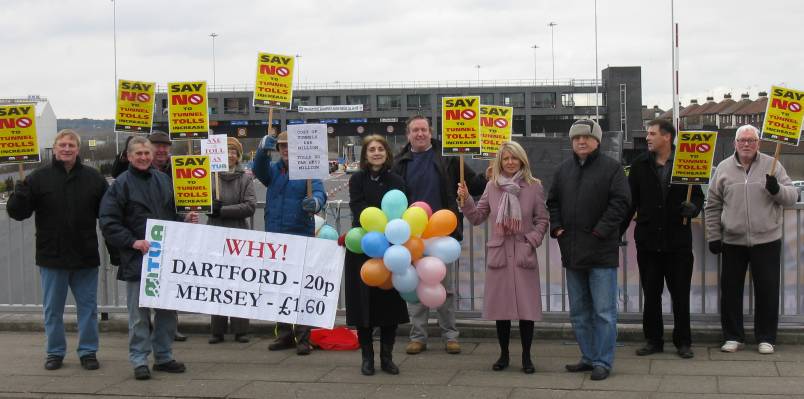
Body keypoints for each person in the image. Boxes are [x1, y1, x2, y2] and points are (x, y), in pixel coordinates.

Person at [6, 129, 108, 371]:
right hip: (52, 256)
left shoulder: (94, 179)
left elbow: (109, 214)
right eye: (62, 144)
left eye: (71, 145)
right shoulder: (37, 178)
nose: (66, 149)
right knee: (53, 310)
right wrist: (18, 195)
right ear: (55, 147)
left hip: (85, 255)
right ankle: (54, 352)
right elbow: (18, 213)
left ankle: (88, 352)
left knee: (88, 309)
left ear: (78, 149)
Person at [99, 136, 195, 380]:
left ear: (152, 156)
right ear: (129, 157)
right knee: (139, 316)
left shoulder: (164, 180)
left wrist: (185, 221)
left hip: (164, 260)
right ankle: (139, 359)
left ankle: (163, 356)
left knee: (166, 313)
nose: (143, 157)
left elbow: (172, 216)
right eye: (138, 153)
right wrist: (132, 242)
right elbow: (108, 221)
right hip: (137, 259)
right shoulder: (120, 184)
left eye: (146, 153)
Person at [392, 115, 487, 355]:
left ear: (431, 132)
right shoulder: (399, 162)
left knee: (446, 288)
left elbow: (474, 186)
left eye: (424, 129)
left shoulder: (449, 158)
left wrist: (487, 176)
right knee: (413, 288)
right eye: (415, 130)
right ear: (408, 134)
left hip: (442, 235)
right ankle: (418, 336)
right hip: (412, 234)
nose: (420, 134)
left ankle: (450, 335)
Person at [546, 119, 630, 381]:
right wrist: (557, 228)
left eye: (586, 137)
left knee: (604, 312)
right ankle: (588, 356)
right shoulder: (562, 170)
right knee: (579, 311)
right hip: (572, 252)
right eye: (576, 138)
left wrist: (599, 232)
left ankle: (603, 361)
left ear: (597, 141)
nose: (581, 141)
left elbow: (621, 203)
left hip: (601, 252)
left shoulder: (613, 169)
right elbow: (553, 202)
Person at [705, 124, 798, 355]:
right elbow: (713, 204)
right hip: (733, 241)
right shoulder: (724, 168)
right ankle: (733, 336)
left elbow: (792, 197)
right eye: (742, 140)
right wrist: (714, 235)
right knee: (731, 290)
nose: (746, 144)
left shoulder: (772, 165)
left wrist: (776, 189)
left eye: (751, 140)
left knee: (767, 290)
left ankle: (766, 337)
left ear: (759, 143)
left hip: (767, 239)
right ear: (735, 143)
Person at [457, 141, 549, 374]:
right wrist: (466, 199)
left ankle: (527, 357)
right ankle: (504, 354)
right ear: (500, 162)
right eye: (505, 158)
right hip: (500, 254)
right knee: (502, 310)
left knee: (527, 311)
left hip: (522, 251)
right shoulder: (492, 187)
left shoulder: (533, 187)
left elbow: (542, 219)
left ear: (522, 160)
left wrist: (531, 240)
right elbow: (477, 217)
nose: (510, 162)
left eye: (514, 158)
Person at [623, 119, 704, 359]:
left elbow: (698, 196)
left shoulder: (687, 162)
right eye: (648, 133)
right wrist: (617, 231)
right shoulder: (638, 165)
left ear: (667, 137)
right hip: (648, 241)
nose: (647, 137)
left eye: (652, 133)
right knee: (651, 293)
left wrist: (694, 208)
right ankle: (653, 340)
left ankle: (683, 342)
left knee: (680, 294)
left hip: (678, 241)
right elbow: (630, 202)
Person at [254, 131, 327, 355]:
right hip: (276, 237)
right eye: (282, 146)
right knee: (279, 288)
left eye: (290, 146)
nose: (286, 149)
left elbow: (320, 193)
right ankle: (284, 334)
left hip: (300, 235)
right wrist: (261, 152)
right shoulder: (274, 170)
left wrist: (315, 202)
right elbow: (259, 171)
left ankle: (303, 337)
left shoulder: (309, 171)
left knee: (302, 289)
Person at [345, 135, 409, 376]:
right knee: (364, 307)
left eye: (380, 149)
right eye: (371, 149)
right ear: (365, 155)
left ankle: (387, 358)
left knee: (388, 306)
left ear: (387, 153)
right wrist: (374, 226)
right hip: (363, 245)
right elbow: (358, 206)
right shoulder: (357, 179)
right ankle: (367, 358)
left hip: (390, 249)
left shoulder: (396, 180)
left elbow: (401, 209)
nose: (376, 153)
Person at [207, 137, 257, 344]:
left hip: (237, 234)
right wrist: (210, 206)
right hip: (215, 233)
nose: (230, 155)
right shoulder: (210, 177)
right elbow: (200, 203)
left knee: (238, 282)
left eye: (234, 151)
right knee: (216, 281)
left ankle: (240, 329)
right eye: (226, 151)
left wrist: (223, 210)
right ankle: (217, 329)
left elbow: (250, 206)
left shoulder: (245, 179)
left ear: (238, 155)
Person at [146, 130, 188, 342]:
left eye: (165, 146)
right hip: (146, 233)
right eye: (157, 145)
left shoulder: (177, 167)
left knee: (170, 281)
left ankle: (171, 327)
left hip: (172, 230)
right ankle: (146, 326)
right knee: (146, 281)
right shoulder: (138, 166)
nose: (161, 150)